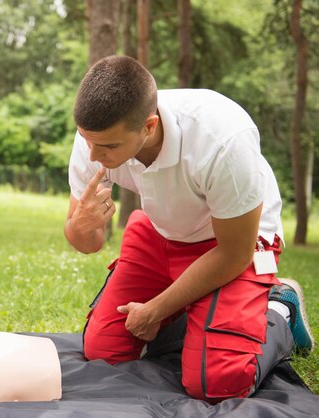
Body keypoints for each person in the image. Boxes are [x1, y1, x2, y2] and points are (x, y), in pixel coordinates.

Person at [64, 55, 314, 403]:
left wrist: (157, 309)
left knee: (220, 382)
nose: (92, 155)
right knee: (104, 352)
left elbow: (234, 253)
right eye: (86, 140)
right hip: (161, 231)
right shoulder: (96, 137)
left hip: (235, 241)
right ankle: (200, 316)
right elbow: (87, 243)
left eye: (107, 146)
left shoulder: (222, 139)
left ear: (148, 127)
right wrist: (79, 226)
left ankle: (280, 309)